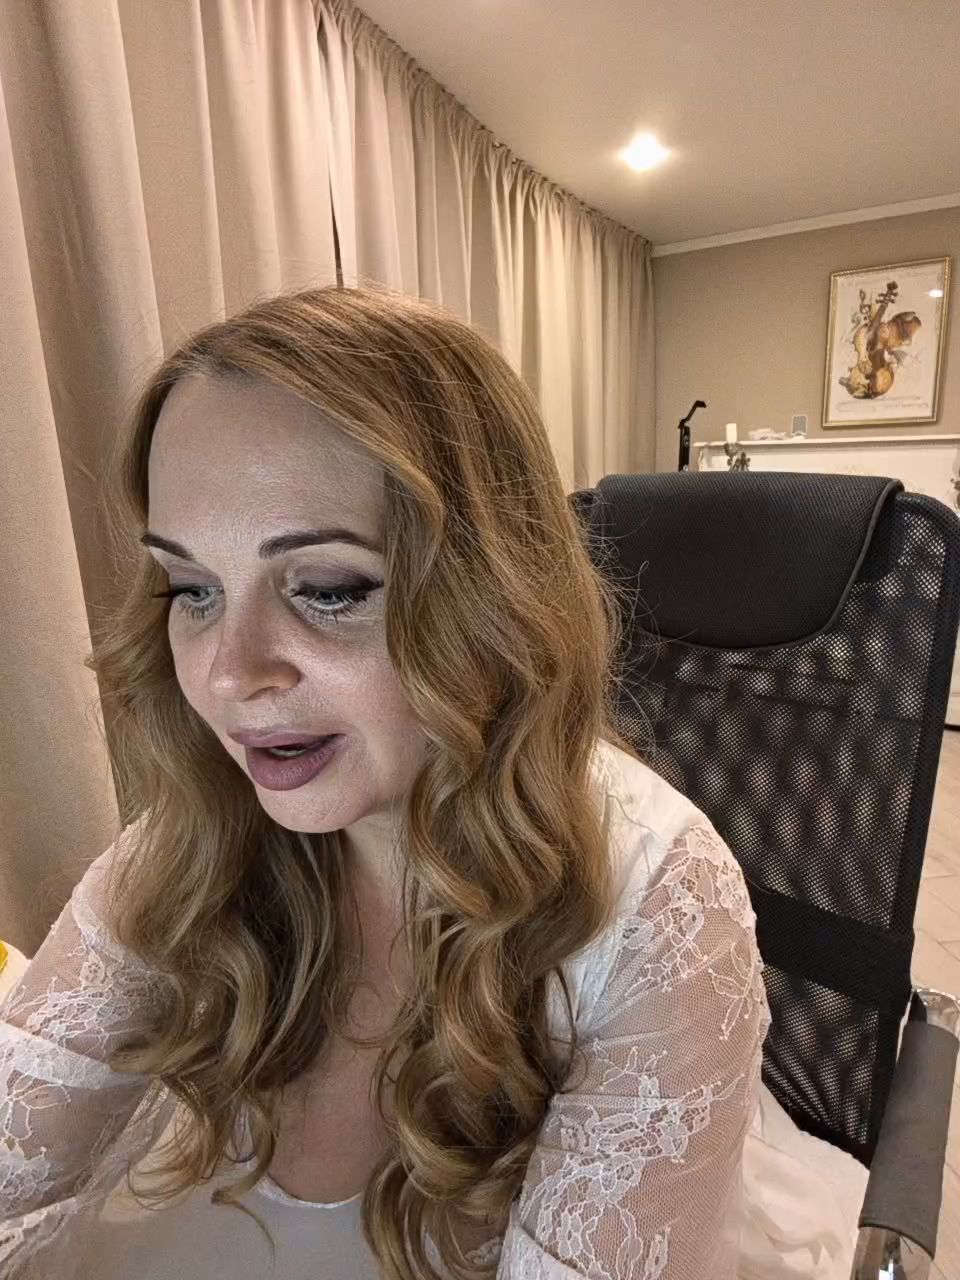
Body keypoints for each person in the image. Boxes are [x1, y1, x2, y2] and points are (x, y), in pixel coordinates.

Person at [0, 285, 867, 1279]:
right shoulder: (199, 831)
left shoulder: (654, 907)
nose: (231, 675)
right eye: (193, 589)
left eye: (328, 589)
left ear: (491, 591)